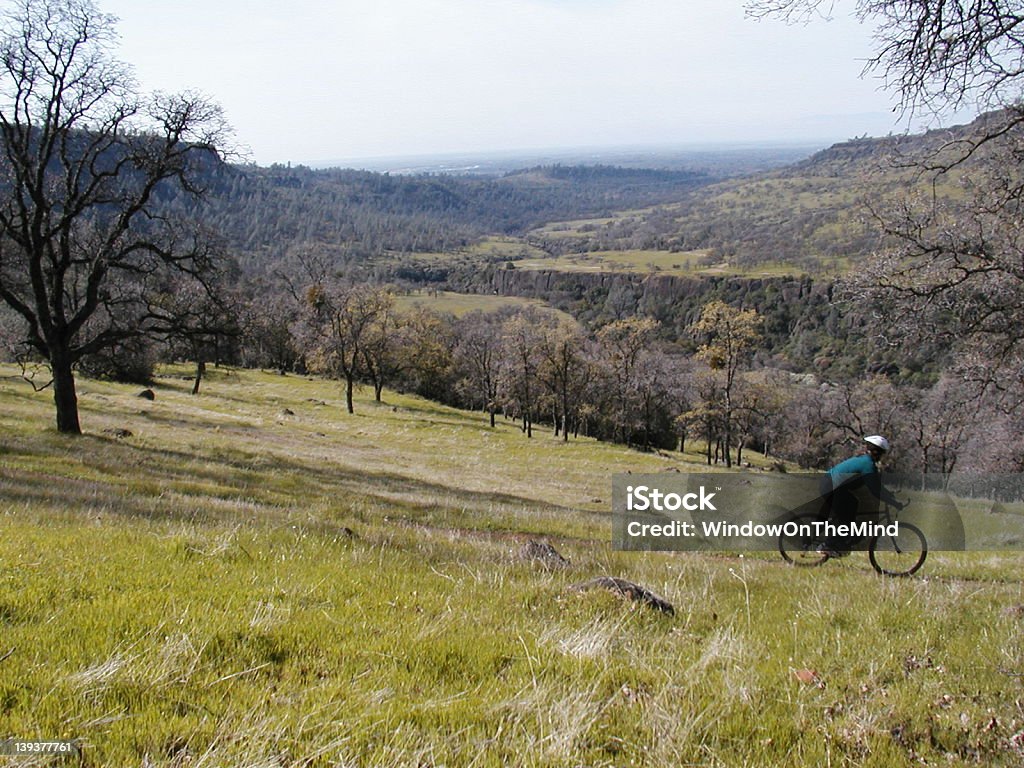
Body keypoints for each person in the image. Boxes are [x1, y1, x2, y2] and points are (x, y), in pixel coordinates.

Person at [817, 435, 903, 556]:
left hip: (834, 486)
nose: (883, 456)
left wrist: (890, 495)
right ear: (877, 452)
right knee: (846, 520)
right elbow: (875, 490)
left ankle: (841, 544)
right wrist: (893, 502)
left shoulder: (867, 462)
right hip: (831, 486)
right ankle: (828, 545)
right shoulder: (867, 465)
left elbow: (876, 485)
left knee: (853, 505)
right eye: (882, 453)